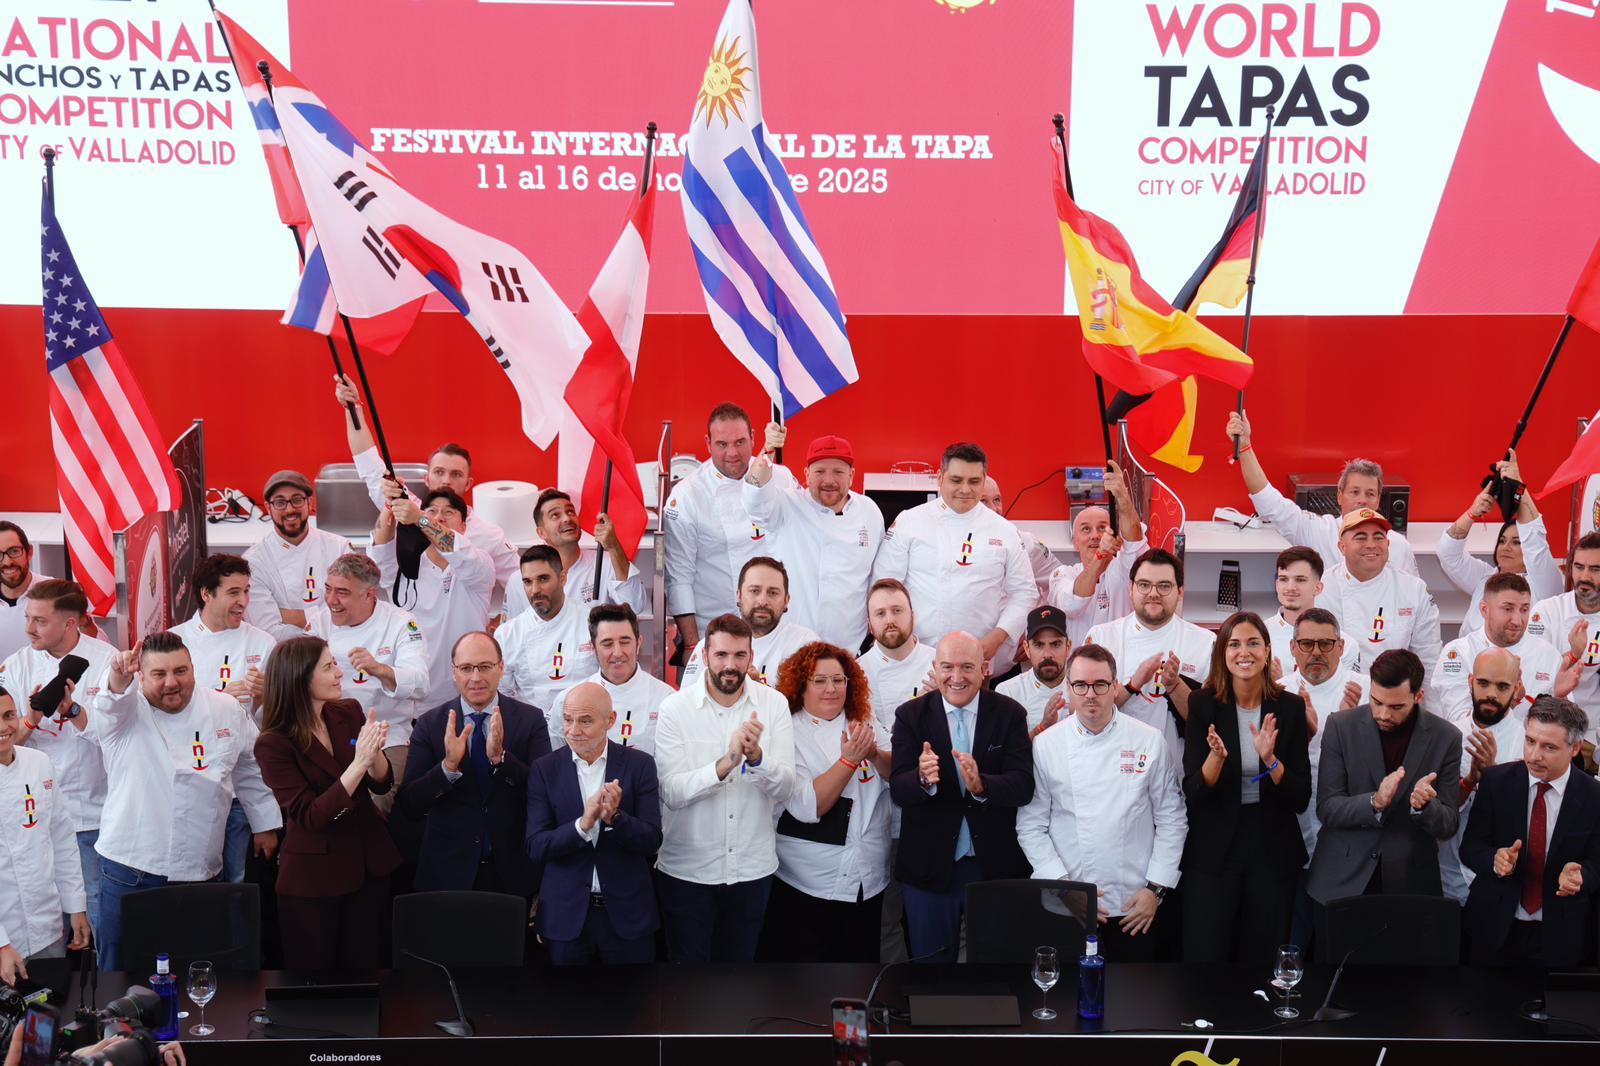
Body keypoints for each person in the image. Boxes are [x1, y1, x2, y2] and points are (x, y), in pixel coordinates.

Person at [85, 632, 282, 971]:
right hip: (130, 870)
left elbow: (250, 767)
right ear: (140, 676)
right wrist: (117, 677)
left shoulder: (224, 708)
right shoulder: (126, 712)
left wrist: (264, 823)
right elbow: (110, 704)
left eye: (180, 671)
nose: (171, 683)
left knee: (196, 967)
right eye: (159, 674)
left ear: (193, 668)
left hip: (200, 868)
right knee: (120, 971)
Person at [1017, 644, 1186, 961]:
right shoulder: (1045, 745)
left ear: (1115, 686)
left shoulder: (1149, 740)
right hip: (1066, 905)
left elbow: (1172, 820)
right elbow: (1030, 826)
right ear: (1069, 688)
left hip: (1133, 906)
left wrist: (1156, 890)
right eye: (1081, 685)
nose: (1090, 695)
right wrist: (1065, 889)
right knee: (1065, 988)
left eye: (1100, 685)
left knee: (1133, 990)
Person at [653, 614, 796, 963]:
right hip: (688, 873)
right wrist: (726, 763)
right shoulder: (674, 709)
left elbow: (786, 788)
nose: (730, 665)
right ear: (704, 656)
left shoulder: (774, 704)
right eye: (721, 655)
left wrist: (757, 759)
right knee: (688, 980)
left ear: (751, 656)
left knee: (740, 979)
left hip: (752, 871)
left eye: (739, 655)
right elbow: (671, 792)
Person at [255, 636, 401, 970]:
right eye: (328, 667)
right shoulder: (273, 744)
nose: (339, 672)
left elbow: (381, 783)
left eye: (335, 663)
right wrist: (358, 764)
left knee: (371, 972)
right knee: (317, 979)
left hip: (370, 865)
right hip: (314, 880)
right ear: (300, 679)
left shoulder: (348, 712)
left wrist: (374, 754)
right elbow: (310, 816)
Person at [890, 631, 1034, 964]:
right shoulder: (910, 716)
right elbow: (898, 788)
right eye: (948, 667)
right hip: (929, 869)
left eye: (967, 667)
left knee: (996, 972)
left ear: (984, 669)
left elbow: (1023, 785)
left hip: (995, 868)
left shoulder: (1010, 714)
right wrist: (921, 778)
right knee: (931, 972)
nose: (957, 677)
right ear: (934, 668)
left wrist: (982, 786)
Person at [1180, 611, 1311, 965]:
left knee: (1263, 955)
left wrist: (1270, 760)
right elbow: (1194, 792)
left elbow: (1300, 796)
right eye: (1234, 644)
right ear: (1222, 653)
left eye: (1253, 643)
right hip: (1214, 845)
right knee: (1207, 953)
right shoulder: (1202, 703)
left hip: (1272, 846)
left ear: (1267, 651)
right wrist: (1216, 757)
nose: (1244, 652)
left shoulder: (1290, 707)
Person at [333, 375, 522, 617]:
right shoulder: (404, 506)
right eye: (439, 472)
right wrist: (353, 408)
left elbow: (521, 582)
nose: (446, 480)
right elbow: (369, 464)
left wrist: (505, 625)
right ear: (427, 478)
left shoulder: (489, 536)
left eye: (456, 474)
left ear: (468, 483)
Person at [0, 580, 116, 944]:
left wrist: (74, 710)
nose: (29, 629)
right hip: (34, 818)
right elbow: (5, 742)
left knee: (97, 920)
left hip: (96, 813)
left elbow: (120, 736)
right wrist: (32, 717)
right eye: (28, 619)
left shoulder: (107, 661)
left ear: (69, 623)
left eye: (40, 620)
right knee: (42, 924)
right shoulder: (15, 666)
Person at [765, 642, 892, 963]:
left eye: (838, 680)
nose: (831, 689)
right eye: (819, 681)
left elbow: (896, 771)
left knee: (860, 973)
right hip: (808, 882)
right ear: (801, 686)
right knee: (807, 978)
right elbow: (808, 806)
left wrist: (874, 754)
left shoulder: (864, 719)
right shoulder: (788, 730)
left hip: (867, 877)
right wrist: (848, 761)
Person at [1309, 649, 1461, 914]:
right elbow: (1327, 807)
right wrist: (1374, 802)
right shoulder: (1340, 726)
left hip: (1411, 886)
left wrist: (1426, 806)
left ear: (1418, 696)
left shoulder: (1446, 737)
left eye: (1396, 707)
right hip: (1341, 883)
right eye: (1376, 702)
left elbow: (1448, 825)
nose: (1383, 714)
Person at [398, 631, 550, 896]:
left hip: (512, 875)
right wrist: (447, 768)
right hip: (447, 875)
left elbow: (543, 796)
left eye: (485, 667)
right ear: (453, 672)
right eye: (466, 668)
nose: (476, 677)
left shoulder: (531, 720)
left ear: (501, 668)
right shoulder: (430, 724)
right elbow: (410, 805)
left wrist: (501, 760)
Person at [527, 681, 663, 965]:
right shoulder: (544, 769)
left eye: (585, 721)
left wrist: (616, 819)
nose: (573, 730)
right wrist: (582, 826)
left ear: (610, 720)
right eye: (568, 720)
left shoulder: (639, 765)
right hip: (566, 918)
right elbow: (536, 847)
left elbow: (652, 841)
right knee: (567, 996)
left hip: (628, 916)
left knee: (635, 994)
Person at [873, 442, 1038, 674]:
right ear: (940, 478)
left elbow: (1025, 592)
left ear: (984, 479)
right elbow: (884, 587)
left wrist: (998, 637)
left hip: (980, 658)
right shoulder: (910, 522)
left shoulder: (1004, 530)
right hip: (916, 656)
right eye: (956, 480)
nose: (965, 489)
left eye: (974, 481)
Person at [1462, 696, 1600, 968]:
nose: (1534, 755)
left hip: (1563, 935)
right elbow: (1470, 848)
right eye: (1530, 741)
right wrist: (1494, 860)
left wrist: (1581, 876)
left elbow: (1597, 863)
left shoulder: (1594, 797)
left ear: (1575, 748)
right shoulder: (1495, 782)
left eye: (1549, 747)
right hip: (1494, 929)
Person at [171, 554, 280, 885]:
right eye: (234, 592)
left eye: (246, 591)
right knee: (193, 883)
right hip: (192, 786)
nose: (243, 601)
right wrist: (218, 701)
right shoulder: (175, 643)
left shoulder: (263, 643)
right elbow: (162, 715)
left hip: (243, 790)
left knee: (239, 883)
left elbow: (272, 727)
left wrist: (264, 697)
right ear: (207, 594)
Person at [663, 404, 797, 651]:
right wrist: (691, 645)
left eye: (740, 442)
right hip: (712, 631)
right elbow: (679, 577)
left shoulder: (782, 478)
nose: (732, 453)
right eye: (722, 444)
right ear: (708, 443)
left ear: (753, 438)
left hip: (776, 629)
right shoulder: (687, 495)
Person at [1225, 410, 1418, 575]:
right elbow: (1268, 501)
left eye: (1370, 494)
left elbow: (1416, 600)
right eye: (1354, 492)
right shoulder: (1319, 531)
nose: (1362, 500)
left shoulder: (1398, 546)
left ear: (1378, 500)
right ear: (1339, 496)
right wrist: (1244, 447)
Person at [743, 430, 885, 650]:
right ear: (807, 474)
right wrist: (767, 450)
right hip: (790, 648)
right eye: (820, 471)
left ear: (851, 475)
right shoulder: (786, 505)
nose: (829, 480)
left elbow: (877, 578)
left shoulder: (869, 512)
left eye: (838, 472)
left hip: (850, 648)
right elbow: (755, 493)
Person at [307, 553, 429, 805]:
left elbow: (420, 683)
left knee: (378, 803)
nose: (331, 600)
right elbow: (299, 675)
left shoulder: (402, 623)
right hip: (328, 733)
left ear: (370, 594)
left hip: (386, 734)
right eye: (328, 589)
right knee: (321, 802)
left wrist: (380, 669)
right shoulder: (320, 622)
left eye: (342, 592)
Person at [857, 577, 936, 965]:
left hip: (930, 815)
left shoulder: (941, 664)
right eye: (880, 613)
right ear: (869, 623)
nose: (890, 620)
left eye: (897, 611)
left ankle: (933, 987)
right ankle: (891, 986)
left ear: (912, 616)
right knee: (886, 919)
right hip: (879, 817)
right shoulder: (856, 673)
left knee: (933, 918)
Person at [1284, 607, 1370, 948]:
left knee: (1337, 946)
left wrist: (1349, 727)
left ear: (1341, 647)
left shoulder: (1366, 691)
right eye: (1307, 644)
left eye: (1326, 644)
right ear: (1293, 648)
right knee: (1292, 941)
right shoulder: (1277, 692)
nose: (1316, 652)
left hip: (1347, 846)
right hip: (1290, 838)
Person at [1087, 548, 1217, 768]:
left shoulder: (1205, 643)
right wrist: (1132, 686)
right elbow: (1084, 714)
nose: (1153, 593)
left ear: (1180, 591)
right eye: (1144, 585)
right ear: (1130, 588)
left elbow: (1212, 722)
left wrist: (1175, 685)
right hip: (1112, 768)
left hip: (1179, 770)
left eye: (1164, 586)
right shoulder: (1101, 638)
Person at [369, 487, 495, 708]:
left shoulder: (479, 564)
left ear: (464, 526)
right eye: (432, 511)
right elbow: (380, 551)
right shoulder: (404, 567)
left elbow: (456, 549)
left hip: (470, 697)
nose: (439, 517)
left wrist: (421, 518)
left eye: (449, 512)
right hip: (416, 701)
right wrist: (390, 503)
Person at [0, 686, 89, 981]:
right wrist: (1, 944)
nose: (4, 727)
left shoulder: (38, 763)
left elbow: (61, 839)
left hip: (47, 928)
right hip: (5, 935)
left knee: (52, 1005)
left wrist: (76, 907)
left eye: (8, 715)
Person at [1439, 452, 1563, 636]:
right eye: (1502, 541)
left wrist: (1518, 485)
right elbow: (1448, 554)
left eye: (1516, 542)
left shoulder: (1543, 582)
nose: (1506, 547)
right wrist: (1472, 512)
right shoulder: (1485, 577)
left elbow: (1535, 543)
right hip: (1473, 655)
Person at [1317, 509, 1443, 689]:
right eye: (1361, 537)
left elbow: (1429, 657)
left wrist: (1425, 706)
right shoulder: (1322, 588)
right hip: (1337, 693)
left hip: (1393, 695)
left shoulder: (1413, 589)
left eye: (1378, 537)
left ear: (1388, 544)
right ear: (1342, 547)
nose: (1371, 545)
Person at [1442, 648, 1530, 903]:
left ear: (1516, 689)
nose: (1491, 694)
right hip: (1444, 875)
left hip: (1499, 881)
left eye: (1502, 686)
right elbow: (1439, 812)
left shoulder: (1527, 745)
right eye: (1483, 683)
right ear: (1470, 681)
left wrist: (1492, 778)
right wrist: (1470, 781)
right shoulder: (1446, 736)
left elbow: (1524, 822)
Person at [1434, 573, 1571, 723]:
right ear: (1484, 610)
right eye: (1507, 609)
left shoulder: (1548, 655)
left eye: (1524, 609)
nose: (1517, 620)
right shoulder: (1458, 653)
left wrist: (1561, 700)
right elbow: (1460, 722)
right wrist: (1510, 702)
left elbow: (1564, 726)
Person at [241, 470, 358, 641]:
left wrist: (288, 615)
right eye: (280, 502)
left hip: (341, 649)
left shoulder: (339, 548)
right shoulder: (253, 562)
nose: (289, 509)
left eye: (297, 500)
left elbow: (355, 610)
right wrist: (328, 617)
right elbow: (267, 631)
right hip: (285, 654)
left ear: (309, 502)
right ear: (268, 507)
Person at [547, 604, 674, 756]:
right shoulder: (567, 700)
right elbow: (556, 758)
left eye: (625, 642)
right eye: (607, 644)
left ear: (639, 643)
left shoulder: (666, 698)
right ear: (593, 647)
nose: (618, 653)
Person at [1044, 463, 1148, 648]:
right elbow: (1070, 605)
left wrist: (1123, 497)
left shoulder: (1124, 569)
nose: (1095, 536)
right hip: (1077, 666)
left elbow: (1135, 542)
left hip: (1120, 665)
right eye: (1086, 529)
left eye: (1102, 528)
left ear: (1115, 535)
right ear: (1075, 542)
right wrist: (1100, 556)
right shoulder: (1062, 574)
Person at [680, 557, 820, 688]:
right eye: (754, 591)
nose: (763, 601)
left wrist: (758, 690)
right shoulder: (710, 643)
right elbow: (686, 701)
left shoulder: (805, 644)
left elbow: (816, 702)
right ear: (739, 595)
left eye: (773, 593)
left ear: (786, 600)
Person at [513, 488, 646, 616]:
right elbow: (514, 627)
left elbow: (635, 606)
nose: (566, 518)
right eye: (555, 515)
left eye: (570, 511)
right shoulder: (522, 579)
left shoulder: (608, 563)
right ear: (542, 533)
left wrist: (614, 547)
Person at [499, 546, 598, 717]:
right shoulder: (508, 634)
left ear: (562, 578)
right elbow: (503, 695)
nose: (535, 590)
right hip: (533, 727)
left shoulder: (592, 623)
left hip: (586, 723)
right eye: (527, 582)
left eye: (543, 579)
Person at [1527, 532, 1600, 749]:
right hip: (1550, 729)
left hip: (1594, 732)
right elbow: (1535, 674)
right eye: (1579, 567)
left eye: (1595, 569)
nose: (1584, 576)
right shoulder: (1547, 611)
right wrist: (1573, 655)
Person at [1265, 547, 1359, 675]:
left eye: (1300, 580)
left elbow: (1342, 688)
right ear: (1277, 585)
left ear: (1318, 588)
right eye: (1283, 579)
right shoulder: (1259, 635)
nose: (1290, 587)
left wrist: (1278, 684)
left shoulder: (1346, 645)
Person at [981, 477, 1065, 601]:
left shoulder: (1026, 542)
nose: (994, 509)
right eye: (983, 501)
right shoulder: (953, 544)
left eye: (997, 500)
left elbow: (1059, 579)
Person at [996, 606, 1072, 737]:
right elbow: (1007, 749)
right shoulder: (1008, 692)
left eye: (1055, 644)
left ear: (1068, 647)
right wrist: (1043, 726)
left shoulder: (1085, 688)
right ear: (1027, 648)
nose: (1047, 654)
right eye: (1039, 645)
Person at [0, 521, 49, 663]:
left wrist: (85, 623)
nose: (7, 562)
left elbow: (94, 645)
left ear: (30, 552)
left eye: (14, 551)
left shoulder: (55, 593)